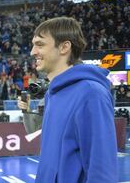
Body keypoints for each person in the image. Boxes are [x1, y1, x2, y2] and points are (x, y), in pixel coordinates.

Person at [31, 17, 117, 182]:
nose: (32, 51)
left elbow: (102, 170)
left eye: (40, 44)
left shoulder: (92, 94)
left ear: (64, 47)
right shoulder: (52, 93)